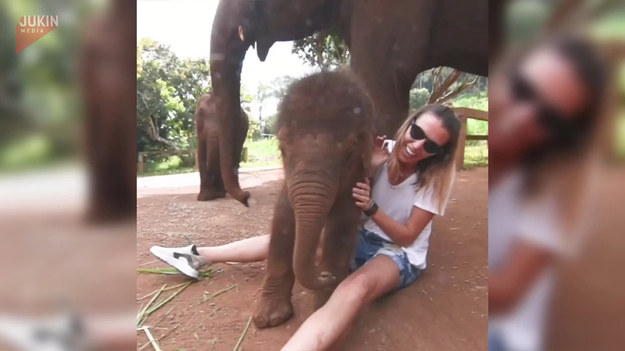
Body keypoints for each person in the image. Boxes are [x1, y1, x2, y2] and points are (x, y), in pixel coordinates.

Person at [150, 104, 461, 350]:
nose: (416, 145)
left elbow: (407, 236)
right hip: (364, 236)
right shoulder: (385, 148)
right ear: (410, 124)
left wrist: (372, 208)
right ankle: (196, 255)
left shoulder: (434, 181)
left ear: (439, 154)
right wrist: (370, 167)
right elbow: (346, 191)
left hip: (399, 253)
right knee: (288, 240)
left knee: (354, 289)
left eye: (431, 145)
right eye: (417, 131)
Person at [488, 34, 606, 351]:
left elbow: (505, 296)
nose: (523, 117)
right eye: (522, 90)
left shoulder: (555, 190)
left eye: (550, 118)